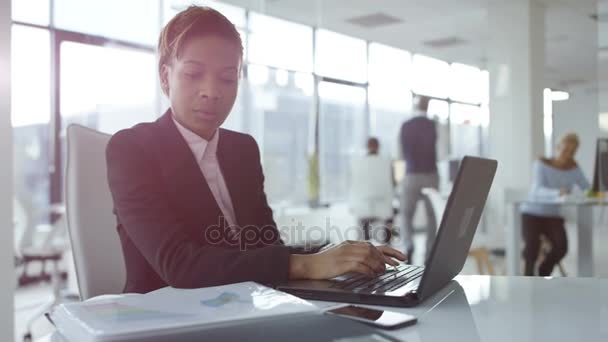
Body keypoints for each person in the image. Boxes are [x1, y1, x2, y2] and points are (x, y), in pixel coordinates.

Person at [105, 6, 406, 294]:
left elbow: (265, 245)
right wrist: (307, 264)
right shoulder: (132, 149)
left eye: (227, 77)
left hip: (246, 304)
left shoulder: (242, 149)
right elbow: (181, 265)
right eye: (193, 74)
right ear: (164, 76)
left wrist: (341, 256)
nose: (211, 91)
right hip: (165, 318)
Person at [519, 133, 589, 276]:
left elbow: (587, 188)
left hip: (552, 215)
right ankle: (527, 279)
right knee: (532, 247)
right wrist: (558, 193)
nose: (567, 155)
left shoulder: (574, 168)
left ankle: (543, 272)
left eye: (572, 152)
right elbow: (536, 191)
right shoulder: (541, 164)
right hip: (532, 213)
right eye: (565, 150)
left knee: (561, 247)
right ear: (557, 148)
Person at [399, 95, 439, 263]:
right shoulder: (434, 125)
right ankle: (429, 253)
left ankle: (409, 245)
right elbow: (443, 152)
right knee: (432, 216)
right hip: (430, 175)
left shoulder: (405, 126)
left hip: (411, 175)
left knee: (406, 214)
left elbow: (401, 154)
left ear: (416, 105)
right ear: (428, 107)